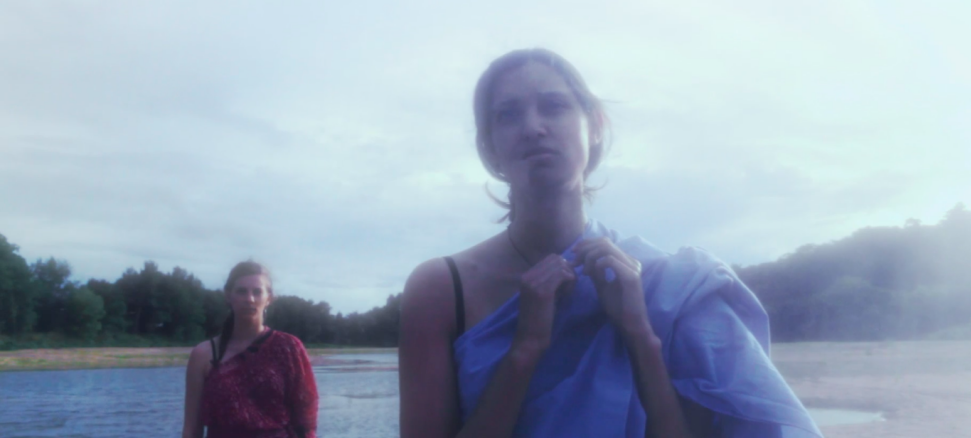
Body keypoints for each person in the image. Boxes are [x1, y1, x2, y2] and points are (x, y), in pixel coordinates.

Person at [399, 48, 823, 438]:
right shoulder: (442, 289)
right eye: (508, 115)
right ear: (488, 147)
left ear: (596, 126)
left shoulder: (673, 288)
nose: (532, 127)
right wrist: (525, 349)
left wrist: (639, 334)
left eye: (554, 106)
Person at [182, 261, 318, 438]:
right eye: (241, 291)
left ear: (269, 298)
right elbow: (192, 430)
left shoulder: (288, 348)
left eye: (257, 292)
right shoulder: (204, 354)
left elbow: (306, 421)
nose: (249, 299)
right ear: (228, 296)